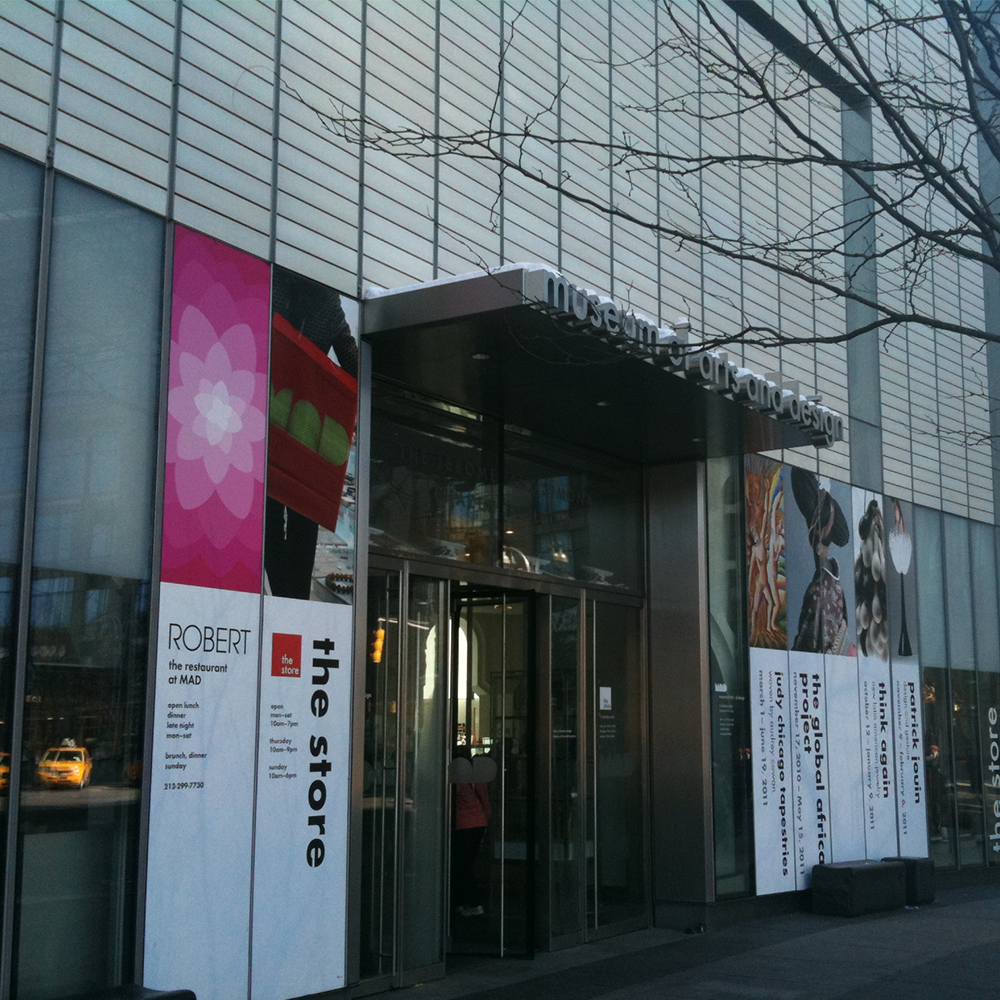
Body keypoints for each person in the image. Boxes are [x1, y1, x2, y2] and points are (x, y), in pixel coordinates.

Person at [452, 766, 491, 917]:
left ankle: (473, 903)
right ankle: (463, 902)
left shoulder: (458, 780)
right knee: (465, 864)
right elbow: (486, 802)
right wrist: (485, 823)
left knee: (462, 865)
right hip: (478, 823)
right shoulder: (478, 780)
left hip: (463, 824)